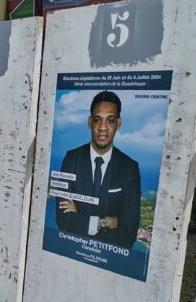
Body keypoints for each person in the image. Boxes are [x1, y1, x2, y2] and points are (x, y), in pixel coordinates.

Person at [55, 90, 140, 248]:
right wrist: (106, 222)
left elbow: (129, 233)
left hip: (109, 262)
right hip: (73, 252)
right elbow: (63, 220)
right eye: (97, 119)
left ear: (118, 124)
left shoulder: (130, 168)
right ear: (89, 122)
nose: (103, 127)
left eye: (110, 120)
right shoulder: (71, 159)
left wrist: (80, 218)